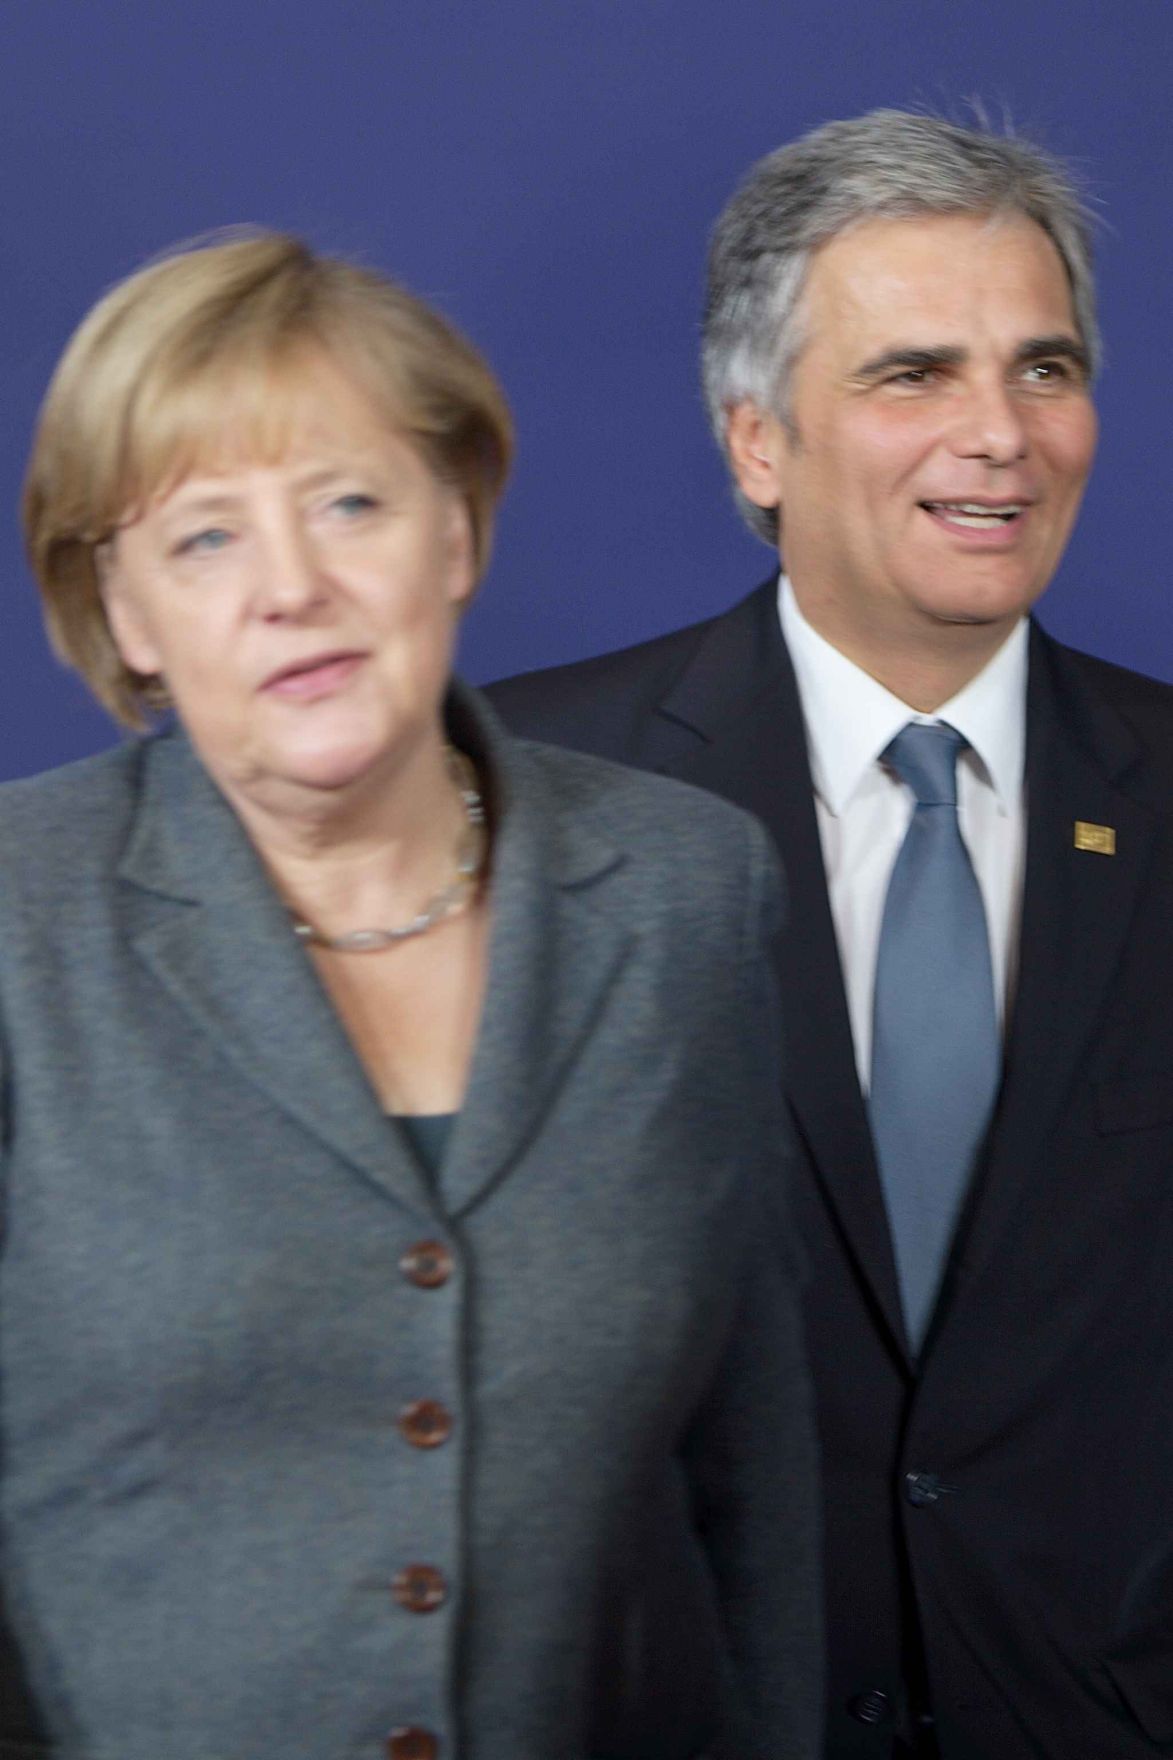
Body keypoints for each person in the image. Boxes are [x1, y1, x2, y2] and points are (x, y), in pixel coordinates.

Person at [0, 231, 821, 1760]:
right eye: (203, 540)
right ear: (121, 617)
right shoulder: (13, 918)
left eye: (349, 503)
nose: (291, 588)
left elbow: (750, 1479)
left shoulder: (684, 889)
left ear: (455, 528)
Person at [487, 110, 1173, 1759]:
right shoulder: (532, 797)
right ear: (755, 444)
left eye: (1043, 368)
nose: (999, 435)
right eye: (912, 374)